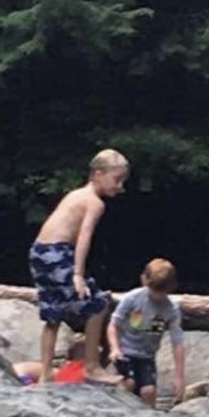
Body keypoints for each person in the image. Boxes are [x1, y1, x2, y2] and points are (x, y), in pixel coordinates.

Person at [28, 149, 129, 384]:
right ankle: (91, 367)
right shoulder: (95, 203)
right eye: (117, 179)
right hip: (57, 253)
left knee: (53, 314)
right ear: (98, 174)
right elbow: (84, 237)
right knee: (98, 304)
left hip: (39, 252)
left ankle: (45, 375)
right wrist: (78, 274)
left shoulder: (75, 195)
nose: (120, 186)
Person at [107, 258, 185, 408]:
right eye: (153, 290)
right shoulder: (132, 298)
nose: (157, 296)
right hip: (125, 353)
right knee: (129, 384)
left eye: (162, 292)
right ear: (144, 280)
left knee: (148, 391)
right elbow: (113, 324)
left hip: (146, 357)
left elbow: (177, 343)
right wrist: (114, 348)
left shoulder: (171, 310)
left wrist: (179, 378)